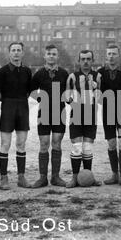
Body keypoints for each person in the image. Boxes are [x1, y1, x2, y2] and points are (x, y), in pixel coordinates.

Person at [30, 44, 69, 188]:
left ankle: (55, 177)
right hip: (44, 113)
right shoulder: (39, 73)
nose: (51, 56)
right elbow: (32, 90)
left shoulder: (64, 73)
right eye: (49, 54)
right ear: (44, 56)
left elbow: (68, 92)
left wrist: (67, 98)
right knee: (44, 143)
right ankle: (42, 178)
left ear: (57, 56)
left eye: (54, 54)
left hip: (60, 112)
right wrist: (42, 99)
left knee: (57, 142)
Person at [0, 42, 32, 188]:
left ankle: (21, 177)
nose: (16, 53)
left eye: (18, 50)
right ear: (9, 53)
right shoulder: (2, 71)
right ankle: (3, 178)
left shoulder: (27, 71)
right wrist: (9, 101)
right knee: (5, 144)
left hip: (23, 107)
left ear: (22, 52)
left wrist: (19, 100)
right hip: (8, 107)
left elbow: (30, 91)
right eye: (13, 50)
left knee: (21, 144)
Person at [65, 49, 102, 188]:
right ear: (79, 61)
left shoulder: (98, 76)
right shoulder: (72, 77)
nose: (86, 61)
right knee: (76, 148)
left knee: (87, 148)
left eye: (88, 59)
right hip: (76, 115)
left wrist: (95, 91)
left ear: (92, 61)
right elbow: (66, 98)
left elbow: (100, 99)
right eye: (83, 59)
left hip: (91, 115)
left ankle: (88, 177)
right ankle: (74, 178)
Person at [97, 44, 121, 187]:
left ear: (119, 55)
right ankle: (114, 174)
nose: (111, 56)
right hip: (108, 112)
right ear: (106, 55)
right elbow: (98, 95)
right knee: (111, 143)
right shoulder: (100, 73)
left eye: (114, 54)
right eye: (109, 54)